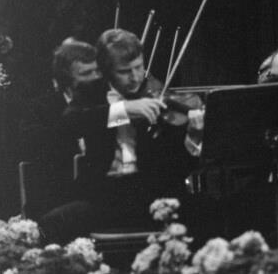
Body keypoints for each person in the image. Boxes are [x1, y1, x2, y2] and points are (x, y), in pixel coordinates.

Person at [40, 29, 195, 244]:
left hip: (153, 196)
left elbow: (182, 161)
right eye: (125, 71)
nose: (135, 77)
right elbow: (70, 123)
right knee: (52, 224)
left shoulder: (156, 93)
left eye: (139, 67)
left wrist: (195, 135)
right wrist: (125, 110)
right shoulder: (92, 91)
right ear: (107, 71)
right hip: (107, 197)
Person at [19, 39, 101, 222]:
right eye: (86, 73)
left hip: (98, 196)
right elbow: (35, 149)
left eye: (97, 71)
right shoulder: (40, 109)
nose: (95, 78)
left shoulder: (105, 103)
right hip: (56, 198)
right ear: (66, 79)